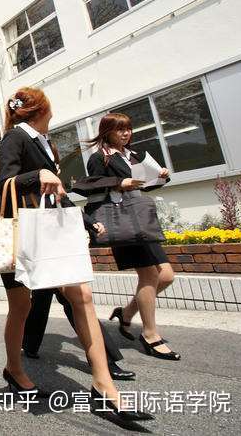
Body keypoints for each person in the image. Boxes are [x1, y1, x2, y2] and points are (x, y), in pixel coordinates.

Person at [0, 87, 152, 422]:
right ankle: (13, 368)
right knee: (20, 307)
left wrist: (86, 220)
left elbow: (59, 194)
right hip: (23, 234)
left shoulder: (45, 143)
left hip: (52, 231)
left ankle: (104, 386)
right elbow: (5, 183)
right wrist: (38, 174)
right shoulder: (14, 138)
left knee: (82, 295)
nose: (53, 115)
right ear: (39, 110)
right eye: (50, 109)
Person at [74, 112, 180, 361]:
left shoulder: (133, 155)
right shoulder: (100, 157)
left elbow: (142, 186)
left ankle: (126, 312)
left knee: (166, 276)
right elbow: (91, 184)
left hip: (142, 220)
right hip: (124, 222)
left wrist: (160, 178)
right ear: (107, 132)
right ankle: (151, 335)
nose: (126, 133)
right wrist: (119, 183)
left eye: (128, 128)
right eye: (119, 129)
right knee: (150, 274)